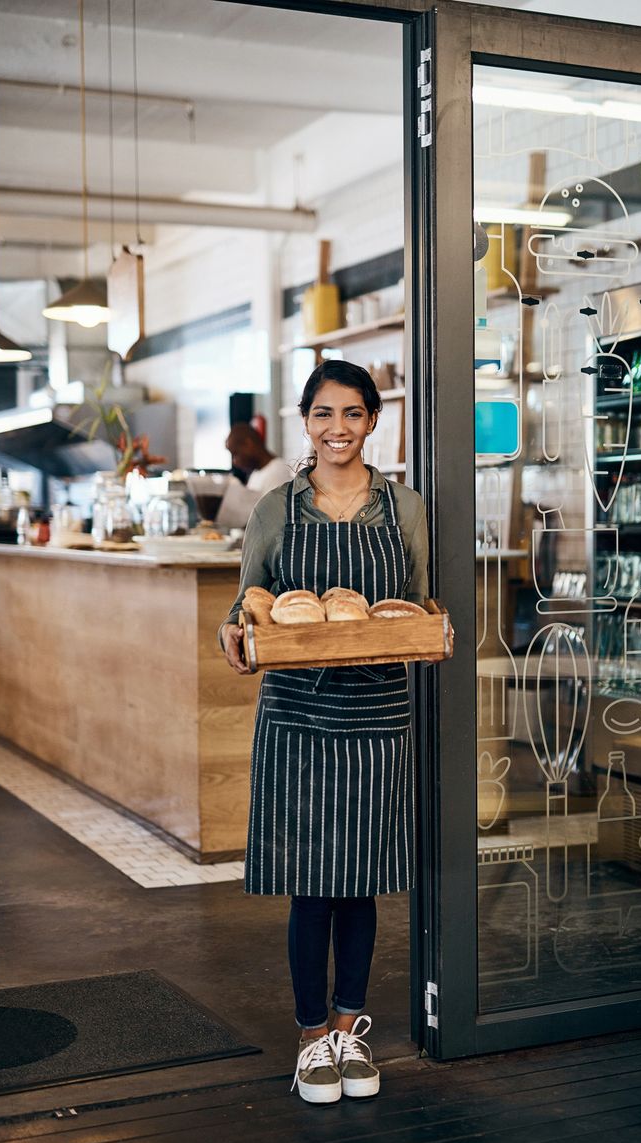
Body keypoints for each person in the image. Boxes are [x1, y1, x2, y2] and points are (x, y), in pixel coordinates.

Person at [219, 359, 428, 1105]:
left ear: (374, 420)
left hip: (377, 713)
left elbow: (414, 600)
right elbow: (247, 603)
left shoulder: (403, 507)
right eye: (323, 415)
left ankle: (349, 1028)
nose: (337, 428)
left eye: (352, 414)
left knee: (360, 879)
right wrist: (237, 640)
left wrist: (437, 628)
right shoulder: (277, 506)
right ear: (305, 423)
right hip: (298, 714)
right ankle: (311, 1038)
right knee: (311, 882)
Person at [216, 423, 293, 529]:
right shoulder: (256, 473)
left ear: (248, 444)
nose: (234, 462)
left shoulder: (278, 471)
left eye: (235, 454)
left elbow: (273, 519)